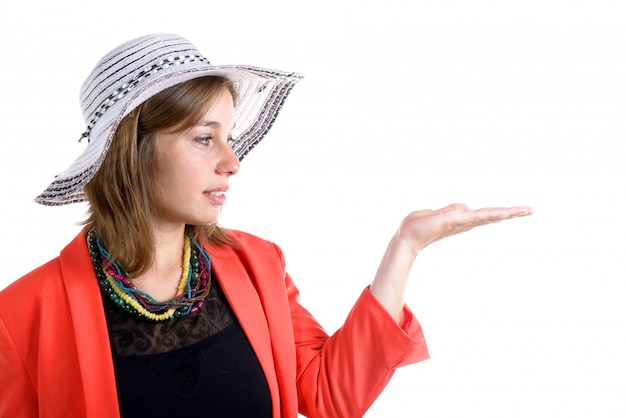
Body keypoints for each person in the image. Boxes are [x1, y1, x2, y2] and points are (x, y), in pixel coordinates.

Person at [0, 33, 533, 418]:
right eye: (205, 138)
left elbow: (330, 396)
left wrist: (406, 247)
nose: (232, 162)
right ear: (131, 152)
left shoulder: (258, 265)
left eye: (229, 137)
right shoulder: (21, 315)